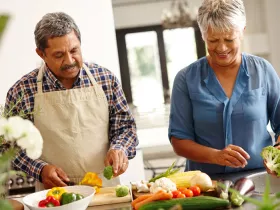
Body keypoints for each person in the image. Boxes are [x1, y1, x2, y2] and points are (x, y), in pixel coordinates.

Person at [4, 12, 138, 190]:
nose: (69, 61)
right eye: (59, 55)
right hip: (53, 194)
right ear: (41, 54)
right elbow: (10, 147)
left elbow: (125, 128)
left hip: (105, 188)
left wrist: (120, 148)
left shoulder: (106, 80)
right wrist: (40, 170)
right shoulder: (21, 91)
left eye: (74, 50)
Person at [168, 0, 280, 177]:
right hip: (205, 184)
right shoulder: (185, 79)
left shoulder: (263, 71)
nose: (221, 48)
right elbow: (179, 141)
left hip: (259, 179)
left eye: (229, 39)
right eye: (213, 40)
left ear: (242, 32)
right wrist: (216, 156)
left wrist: (277, 152)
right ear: (203, 35)